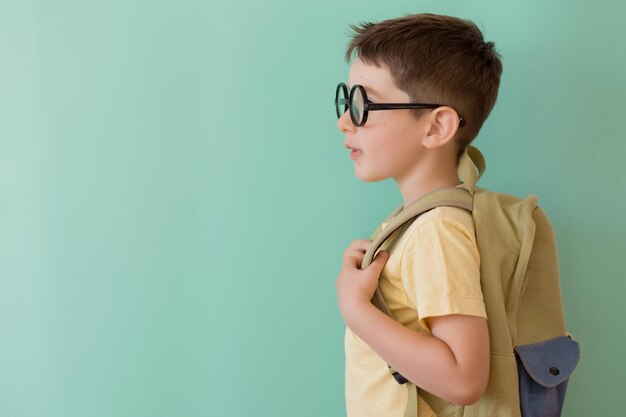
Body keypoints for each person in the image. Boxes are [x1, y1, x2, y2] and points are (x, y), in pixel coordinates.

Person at [334, 13, 503, 417]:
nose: (344, 122)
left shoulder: (437, 231)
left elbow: (464, 379)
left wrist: (356, 308)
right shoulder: (418, 222)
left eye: (364, 105)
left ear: (436, 127)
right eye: (346, 100)